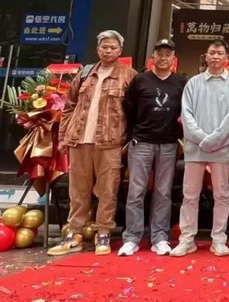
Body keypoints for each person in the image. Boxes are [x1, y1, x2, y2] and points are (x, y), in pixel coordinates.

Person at [49, 30, 138, 257]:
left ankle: (103, 233)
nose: (108, 51)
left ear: (120, 51)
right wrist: (64, 137)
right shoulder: (85, 73)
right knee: (78, 190)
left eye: (113, 47)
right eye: (104, 47)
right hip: (80, 140)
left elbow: (135, 111)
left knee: (107, 190)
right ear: (98, 49)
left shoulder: (129, 76)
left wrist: (129, 141)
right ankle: (74, 234)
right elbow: (69, 106)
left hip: (110, 143)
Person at [170, 39, 229, 257]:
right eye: (212, 52)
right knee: (189, 195)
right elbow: (186, 114)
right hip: (196, 148)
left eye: (220, 53)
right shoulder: (193, 83)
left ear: (226, 57)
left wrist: (215, 140)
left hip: (222, 148)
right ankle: (187, 239)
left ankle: (219, 239)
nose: (215, 56)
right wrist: (203, 138)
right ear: (206, 55)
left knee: (221, 195)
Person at [119, 39, 187, 257]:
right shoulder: (140, 80)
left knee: (163, 192)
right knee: (136, 191)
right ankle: (132, 237)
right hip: (141, 142)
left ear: (173, 59)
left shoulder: (180, 82)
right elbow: (128, 108)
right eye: (160, 54)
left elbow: (185, 111)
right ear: (153, 58)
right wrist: (133, 135)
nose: (163, 58)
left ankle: (159, 237)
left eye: (168, 54)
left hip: (168, 144)